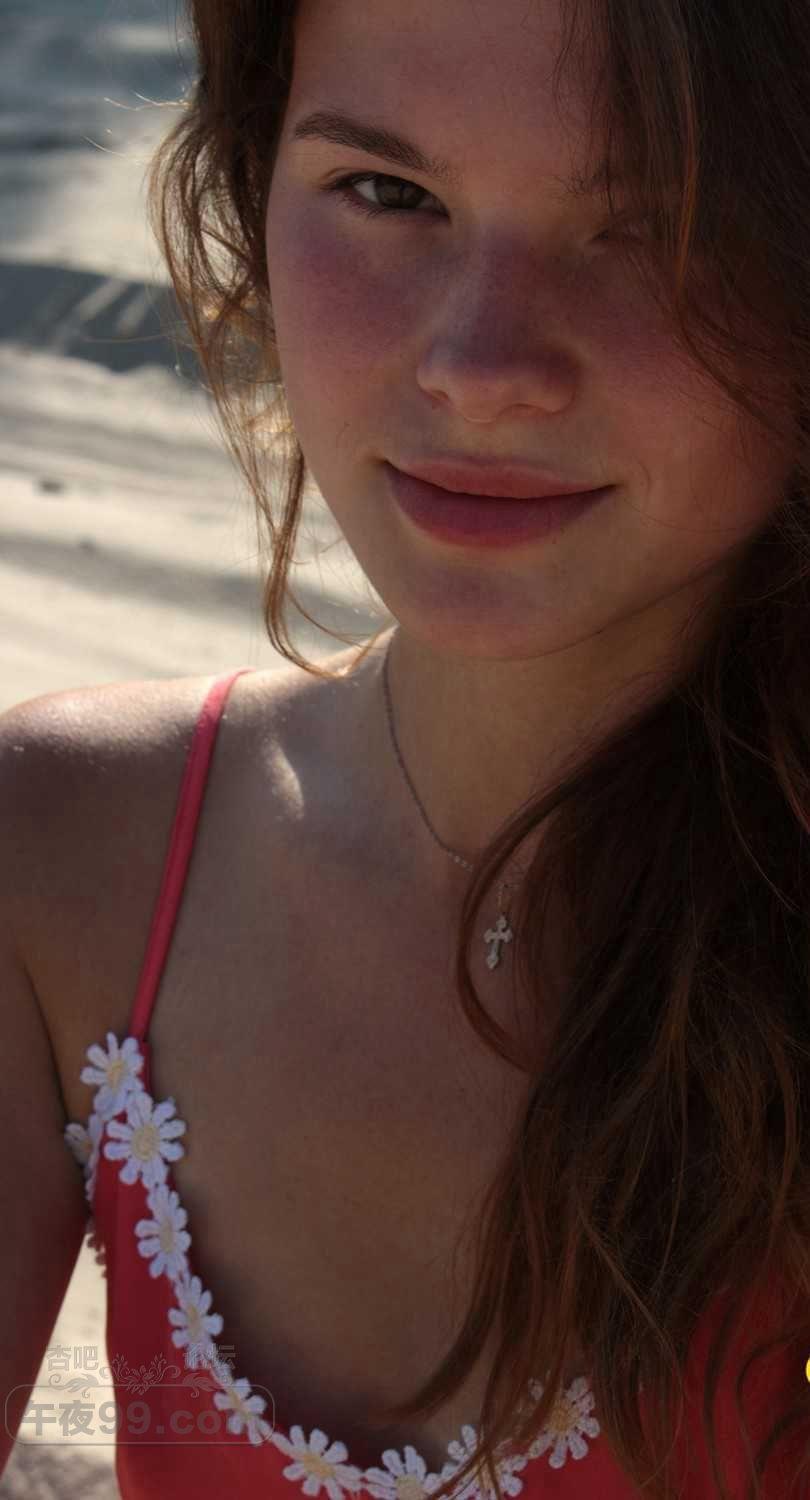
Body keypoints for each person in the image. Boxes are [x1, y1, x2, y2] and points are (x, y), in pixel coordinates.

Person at [2, 0, 810, 1494]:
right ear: (250, 195)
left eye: (657, 223)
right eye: (388, 192)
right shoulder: (66, 853)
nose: (481, 365)